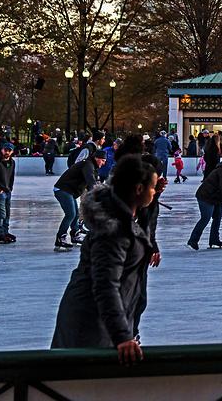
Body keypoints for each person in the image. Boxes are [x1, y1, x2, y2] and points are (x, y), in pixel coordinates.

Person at [51, 155, 158, 365]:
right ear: (138, 189)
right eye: (152, 188)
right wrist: (123, 336)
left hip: (104, 323)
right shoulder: (112, 231)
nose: (154, 193)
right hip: (90, 325)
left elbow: (141, 233)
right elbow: (105, 285)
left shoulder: (121, 216)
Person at [53, 150, 107, 250]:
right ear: (96, 158)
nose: (104, 163)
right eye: (103, 160)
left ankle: (75, 234)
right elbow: (90, 181)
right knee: (70, 214)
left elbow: (95, 182)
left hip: (68, 191)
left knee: (76, 214)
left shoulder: (91, 166)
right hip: (63, 190)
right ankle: (60, 237)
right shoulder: (88, 165)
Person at [187, 153, 222, 250]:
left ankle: (214, 239)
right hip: (206, 197)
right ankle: (193, 240)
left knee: (217, 218)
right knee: (205, 218)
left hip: (216, 198)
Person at [0, 142, 17, 244]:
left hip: (7, 191)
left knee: (7, 214)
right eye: (5, 150)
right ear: (2, 150)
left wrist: (10, 188)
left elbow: (12, 176)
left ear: (12, 152)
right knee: (1, 214)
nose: (7, 152)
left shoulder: (12, 162)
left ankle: (5, 232)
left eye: (9, 150)